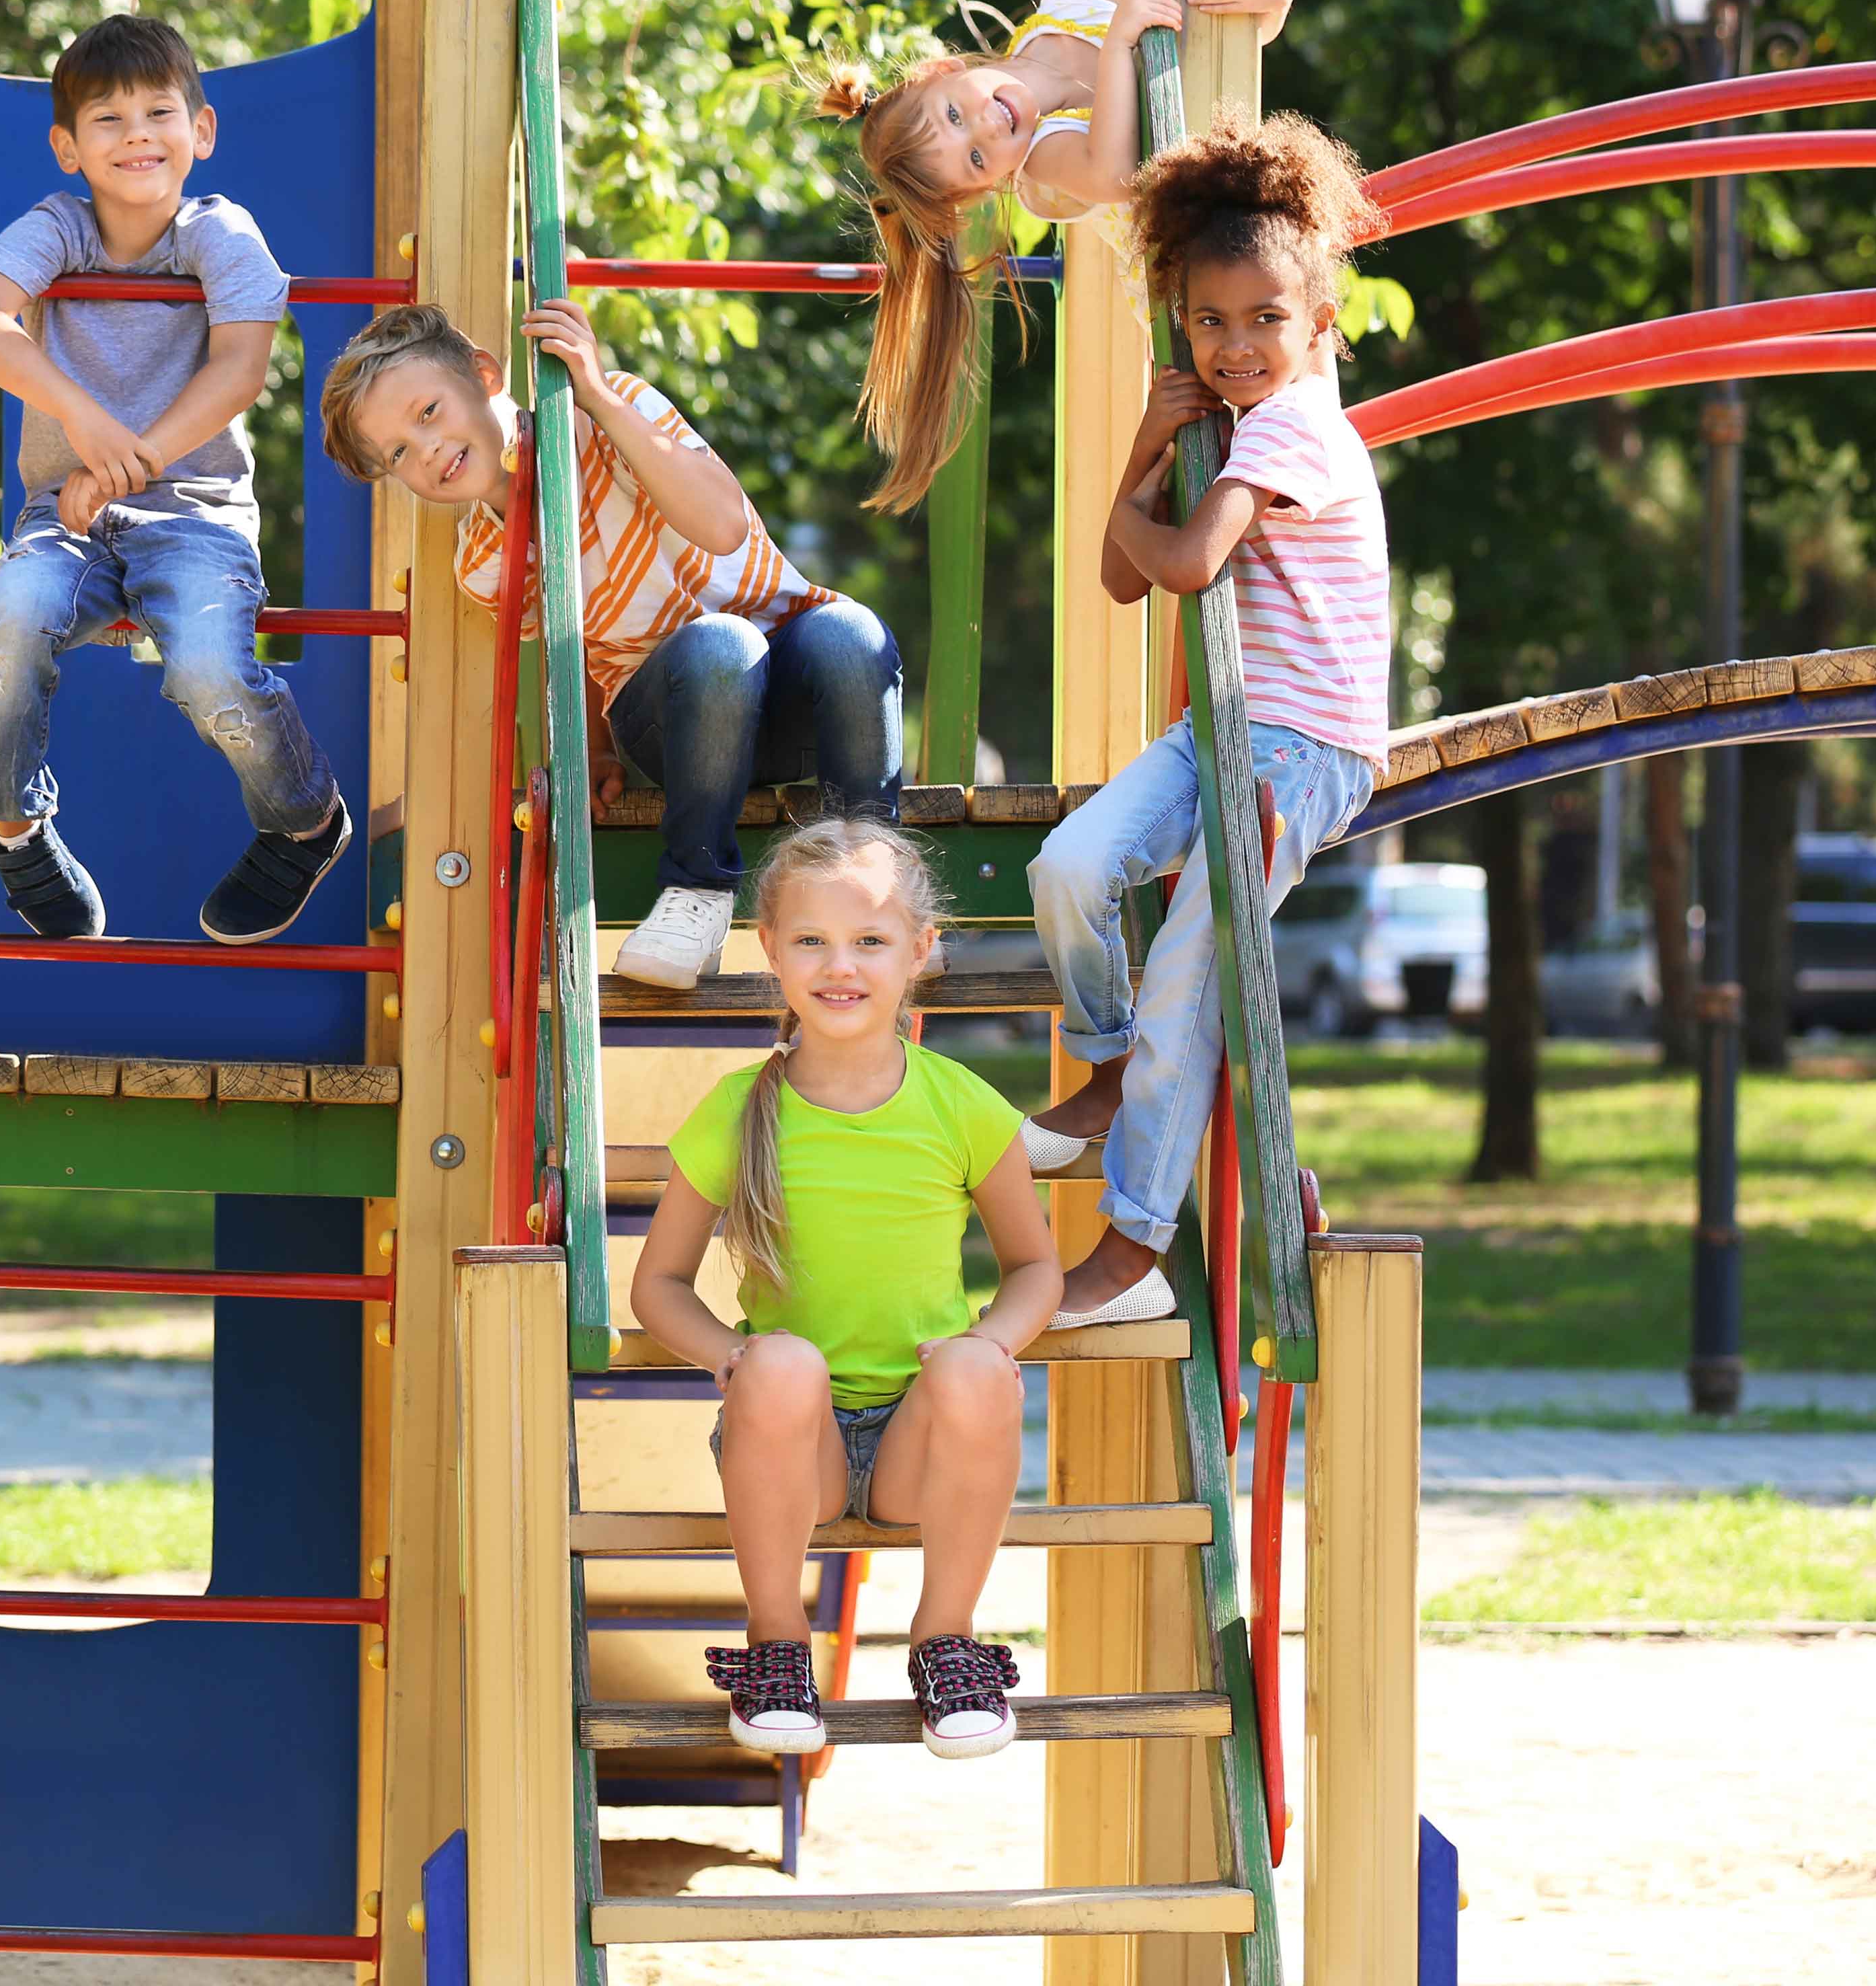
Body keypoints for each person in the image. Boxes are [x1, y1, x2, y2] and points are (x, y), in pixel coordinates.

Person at [1020, 108, 1392, 1329]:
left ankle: (1134, 1247)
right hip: (1222, 728)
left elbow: (1169, 567)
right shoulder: (1217, 429)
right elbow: (1123, 578)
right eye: (1210, 322)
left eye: (1265, 321)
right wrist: (1140, 443)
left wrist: (1131, 501)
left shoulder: (1294, 425)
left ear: (1318, 324)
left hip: (1303, 749)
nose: (1236, 346)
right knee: (1067, 866)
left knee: (1188, 965)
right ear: (1181, 325)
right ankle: (1109, 1055)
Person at [316, 297, 903, 992]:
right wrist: (590, 748)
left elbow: (721, 529)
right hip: (675, 718)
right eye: (401, 455)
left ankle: (877, 885)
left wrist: (596, 397)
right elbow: (580, 636)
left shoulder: (611, 411)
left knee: (852, 632)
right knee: (720, 646)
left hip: (792, 689)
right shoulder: (485, 562)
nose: (429, 450)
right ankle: (697, 893)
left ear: (484, 375)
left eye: (428, 413)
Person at [627, 818, 1060, 1759]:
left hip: (922, 1445)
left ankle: (946, 1643)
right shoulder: (740, 1111)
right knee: (779, 1364)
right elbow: (657, 1285)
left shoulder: (962, 1106)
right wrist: (731, 1357)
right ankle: (776, 1645)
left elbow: (1035, 1267)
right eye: (813, 941)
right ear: (772, 951)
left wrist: (991, 1343)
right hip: (796, 1448)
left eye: (870, 941)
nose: (842, 966)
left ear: (920, 951)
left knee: (982, 1373)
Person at [0, 15, 350, 946]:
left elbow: (241, 368)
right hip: (68, 514)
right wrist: (87, 429)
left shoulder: (218, 231)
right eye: (108, 119)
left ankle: (303, 819)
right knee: (4, 629)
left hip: (195, 514)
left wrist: (136, 464)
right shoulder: (58, 228)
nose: (136, 135)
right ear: (68, 148)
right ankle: (13, 829)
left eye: (159, 111)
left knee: (210, 667)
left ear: (200, 132)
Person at [818, 0, 1299, 512]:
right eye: (975, 158)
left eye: (953, 113)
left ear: (941, 69)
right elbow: (1116, 171)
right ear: (988, 185)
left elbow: (1211, 38)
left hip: (1259, 231)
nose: (988, 129)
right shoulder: (1043, 156)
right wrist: (1122, 39)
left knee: (1303, 401)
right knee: (1252, 443)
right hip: (1196, 297)